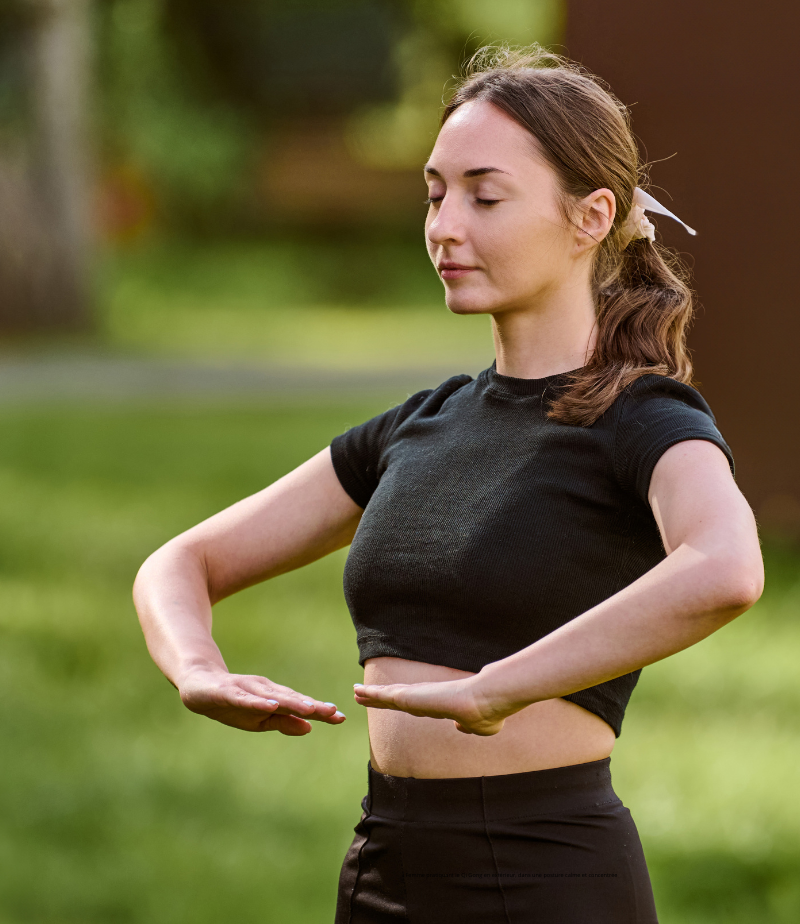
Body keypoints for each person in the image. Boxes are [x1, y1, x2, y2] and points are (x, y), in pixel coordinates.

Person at [133, 46, 764, 923]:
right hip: (385, 865)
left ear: (591, 217)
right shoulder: (419, 425)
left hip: (546, 874)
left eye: (485, 195)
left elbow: (726, 567)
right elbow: (183, 562)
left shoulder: (642, 417)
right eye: (434, 194)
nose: (444, 226)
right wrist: (197, 669)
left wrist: (499, 687)